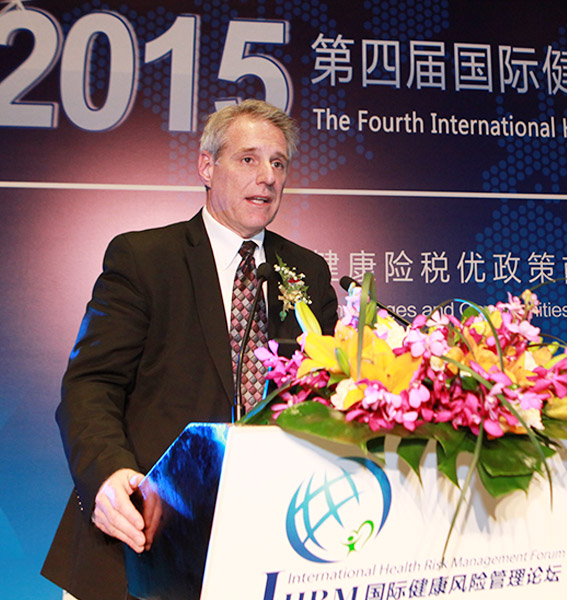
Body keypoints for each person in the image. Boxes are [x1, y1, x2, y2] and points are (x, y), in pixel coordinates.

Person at [41, 99, 340, 600]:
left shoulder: (306, 271)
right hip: (143, 538)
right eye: (248, 159)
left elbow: (326, 393)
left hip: (266, 544)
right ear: (206, 166)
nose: (267, 177)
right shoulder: (145, 258)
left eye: (278, 163)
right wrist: (107, 474)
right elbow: (92, 384)